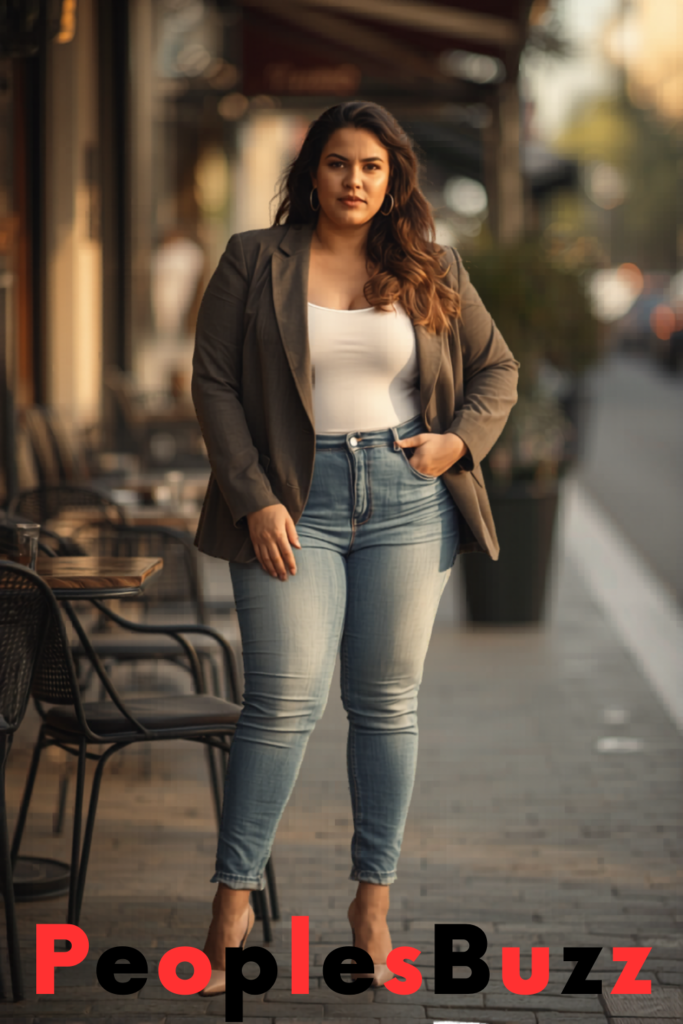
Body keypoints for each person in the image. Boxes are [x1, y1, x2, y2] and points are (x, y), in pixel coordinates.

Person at [191, 100, 519, 995]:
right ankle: (233, 897)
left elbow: (497, 370)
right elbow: (213, 383)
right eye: (339, 163)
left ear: (393, 177)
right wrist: (253, 496)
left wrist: (458, 445)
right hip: (295, 504)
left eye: (371, 166)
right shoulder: (254, 259)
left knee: (384, 704)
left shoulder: (428, 265)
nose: (355, 181)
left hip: (406, 498)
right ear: (312, 172)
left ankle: (370, 901)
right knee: (284, 702)